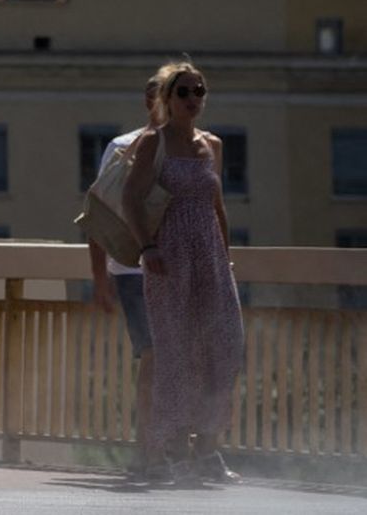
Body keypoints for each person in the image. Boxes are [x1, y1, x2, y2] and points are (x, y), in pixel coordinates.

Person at [122, 60, 244, 484]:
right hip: (169, 259)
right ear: (167, 99)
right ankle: (168, 452)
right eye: (184, 92)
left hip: (210, 258)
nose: (193, 99)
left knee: (224, 346)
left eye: (199, 92)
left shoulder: (212, 144)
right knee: (174, 355)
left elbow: (218, 207)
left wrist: (226, 260)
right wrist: (148, 246)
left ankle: (206, 448)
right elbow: (131, 199)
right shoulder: (153, 143)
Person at [87, 74, 161, 474]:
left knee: (178, 358)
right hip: (133, 270)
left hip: (180, 267)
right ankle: (147, 451)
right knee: (153, 356)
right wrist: (101, 280)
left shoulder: (197, 146)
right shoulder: (121, 148)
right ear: (148, 101)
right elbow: (99, 213)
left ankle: (174, 450)